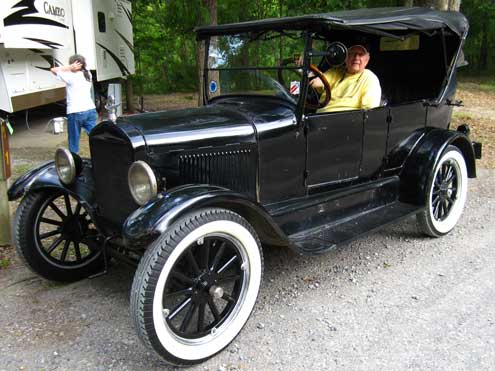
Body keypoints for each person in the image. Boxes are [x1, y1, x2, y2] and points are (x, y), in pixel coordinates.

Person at [309, 44, 381, 113]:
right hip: (318, 117)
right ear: (346, 58)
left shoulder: (370, 78)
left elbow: (369, 111)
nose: (356, 57)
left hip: (346, 121)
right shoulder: (335, 71)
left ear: (366, 60)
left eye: (360, 54)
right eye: (353, 53)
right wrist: (311, 75)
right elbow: (316, 83)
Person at [50, 54, 97, 154]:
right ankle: (100, 154)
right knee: (95, 136)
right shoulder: (87, 74)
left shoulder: (70, 76)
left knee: (74, 140)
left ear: (74, 64)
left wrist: (69, 67)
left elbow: (53, 70)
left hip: (76, 112)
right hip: (90, 110)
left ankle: (74, 162)